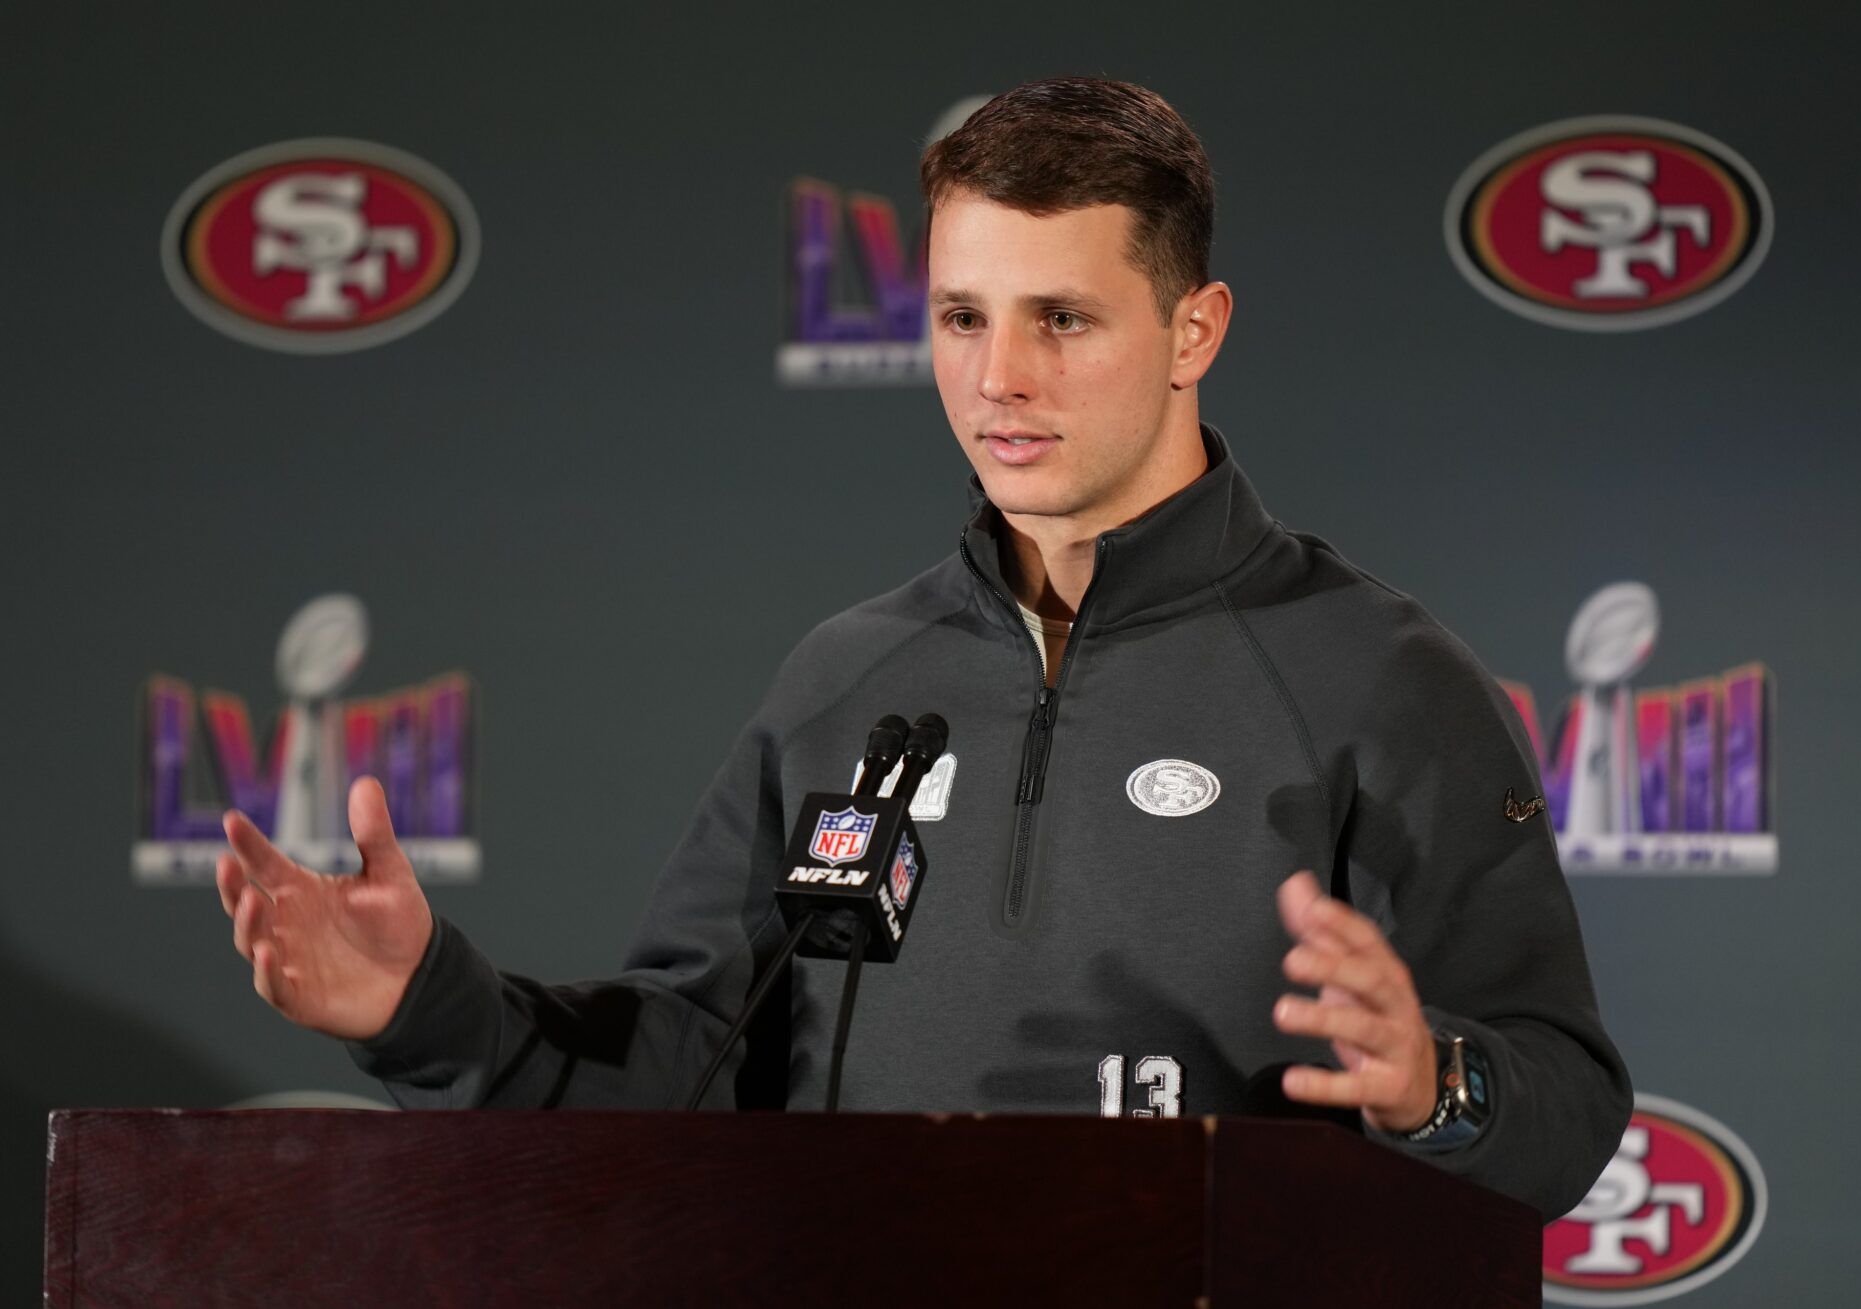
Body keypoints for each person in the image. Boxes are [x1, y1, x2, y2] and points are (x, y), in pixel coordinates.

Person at [215, 76, 1630, 1219]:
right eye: (962, 316)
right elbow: (683, 1066)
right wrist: (419, 1004)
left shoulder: (1374, 677)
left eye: (1061, 319)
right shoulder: (850, 677)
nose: (997, 377)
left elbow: (1562, 1109)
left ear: (1194, 329)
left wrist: (1433, 1082)